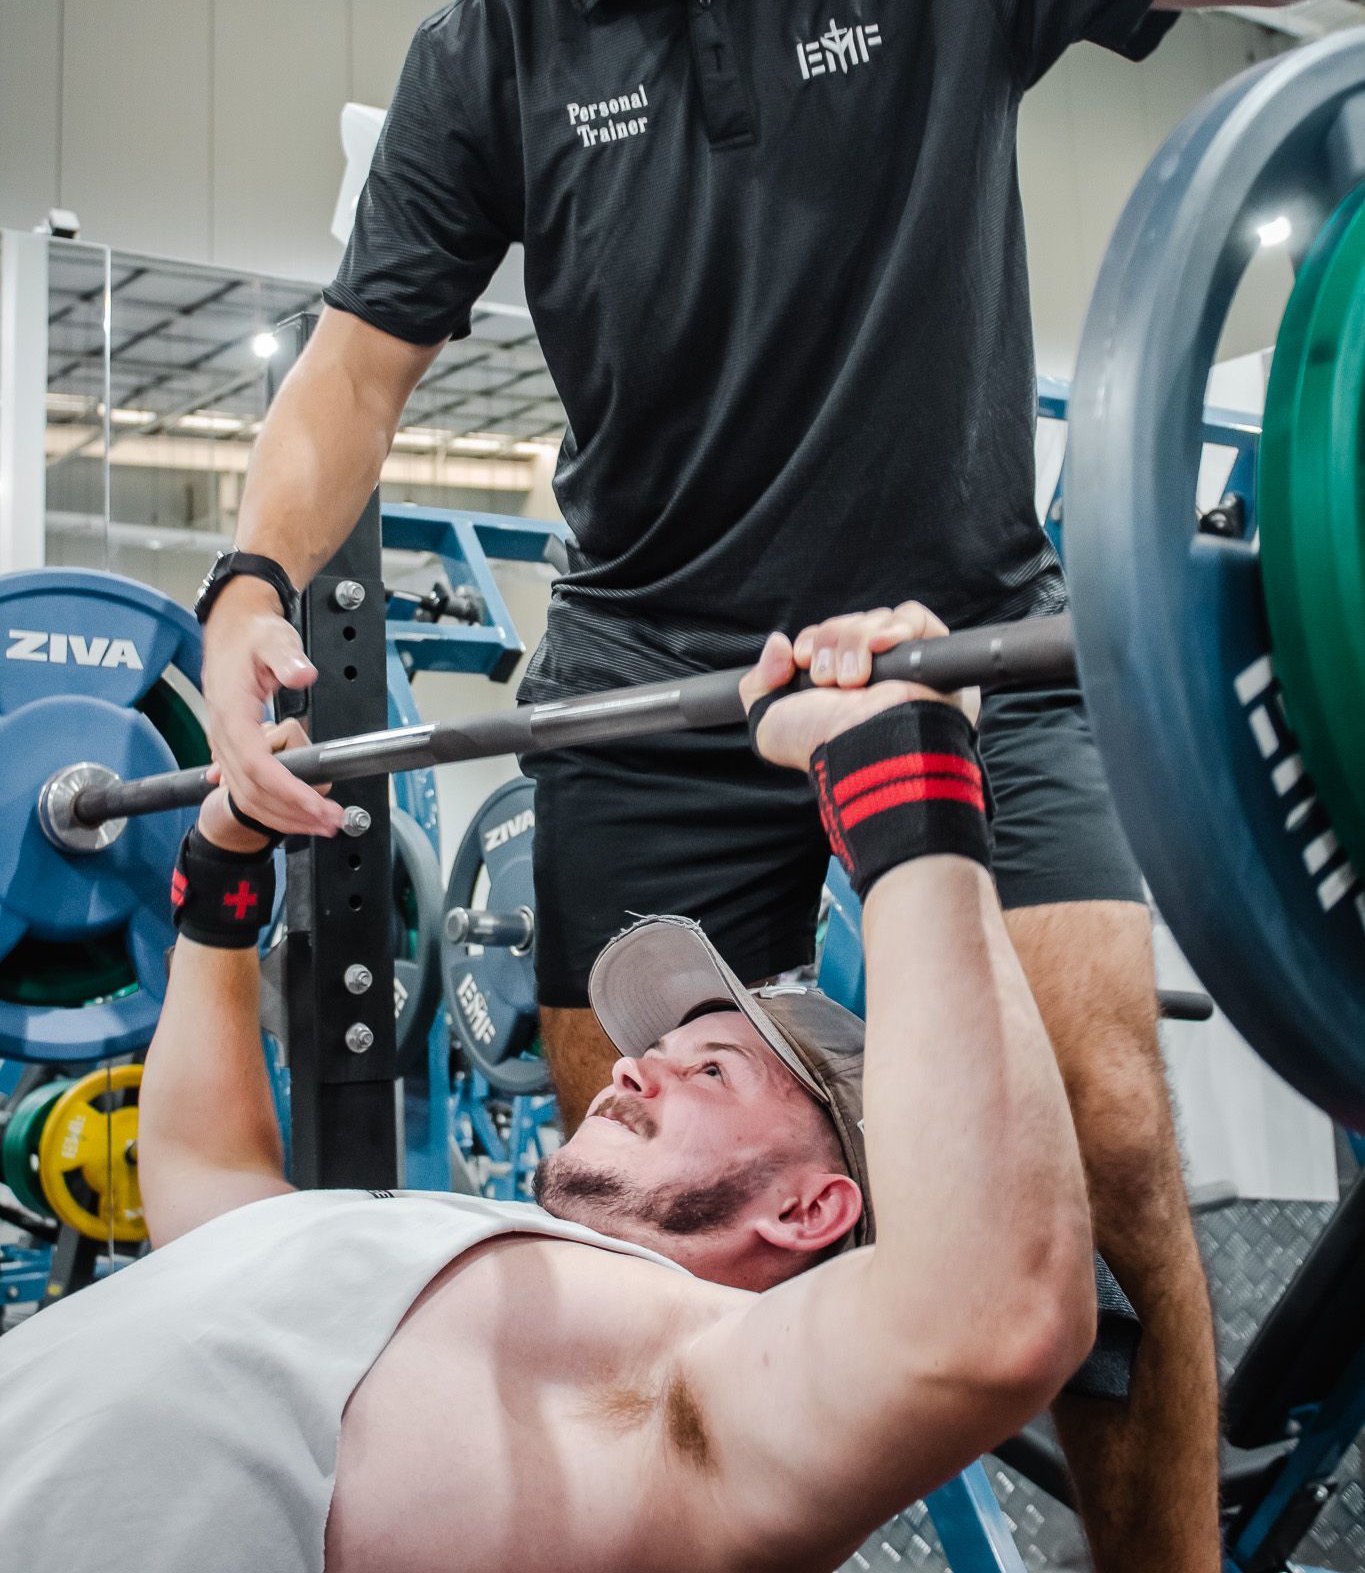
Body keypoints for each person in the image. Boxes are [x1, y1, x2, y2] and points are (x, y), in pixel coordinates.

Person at [193, 0, 1365, 1567]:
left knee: (1108, 1162)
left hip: (965, 644)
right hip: (651, 681)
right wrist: (244, 588)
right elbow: (353, 374)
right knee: (638, 1234)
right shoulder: (494, 46)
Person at [0, 606, 1096, 1573]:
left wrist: (900, 770)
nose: (632, 1063)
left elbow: (990, 1316)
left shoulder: (698, 1390)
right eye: (662, 1047)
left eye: (712, 1067)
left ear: (809, 1207)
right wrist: (222, 866)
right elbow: (204, 1183)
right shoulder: (431, 1250)